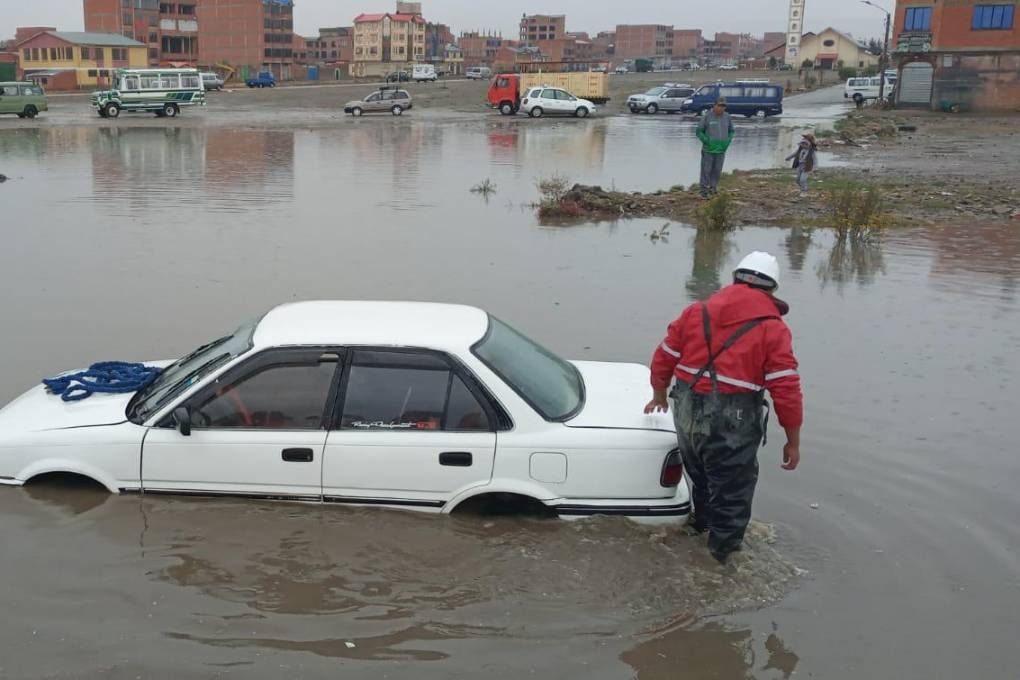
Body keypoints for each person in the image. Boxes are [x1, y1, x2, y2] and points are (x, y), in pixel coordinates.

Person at [644, 251, 803, 563]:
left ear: (734, 279)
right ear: (772, 290)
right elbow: (785, 389)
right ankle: (720, 564)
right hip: (734, 422)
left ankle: (697, 530)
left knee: (700, 481)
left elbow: (664, 356)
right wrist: (792, 440)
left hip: (687, 414)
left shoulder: (695, 313)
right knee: (732, 496)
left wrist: (659, 395)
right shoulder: (773, 329)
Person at [696, 97, 735, 199]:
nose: (721, 108)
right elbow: (699, 131)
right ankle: (703, 191)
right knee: (706, 170)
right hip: (708, 149)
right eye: (719, 106)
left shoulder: (727, 117)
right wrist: (706, 141)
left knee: (717, 170)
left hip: (721, 150)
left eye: (723, 106)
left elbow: (732, 131)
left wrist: (728, 141)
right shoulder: (707, 116)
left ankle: (713, 188)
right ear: (714, 105)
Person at [786, 133, 818, 198]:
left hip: (807, 167)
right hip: (800, 166)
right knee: (798, 180)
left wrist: (815, 167)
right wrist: (788, 158)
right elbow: (794, 154)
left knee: (803, 180)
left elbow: (815, 160)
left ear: (809, 144)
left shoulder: (812, 152)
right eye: (802, 144)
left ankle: (804, 191)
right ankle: (802, 189)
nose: (804, 145)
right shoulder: (800, 149)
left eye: (806, 144)